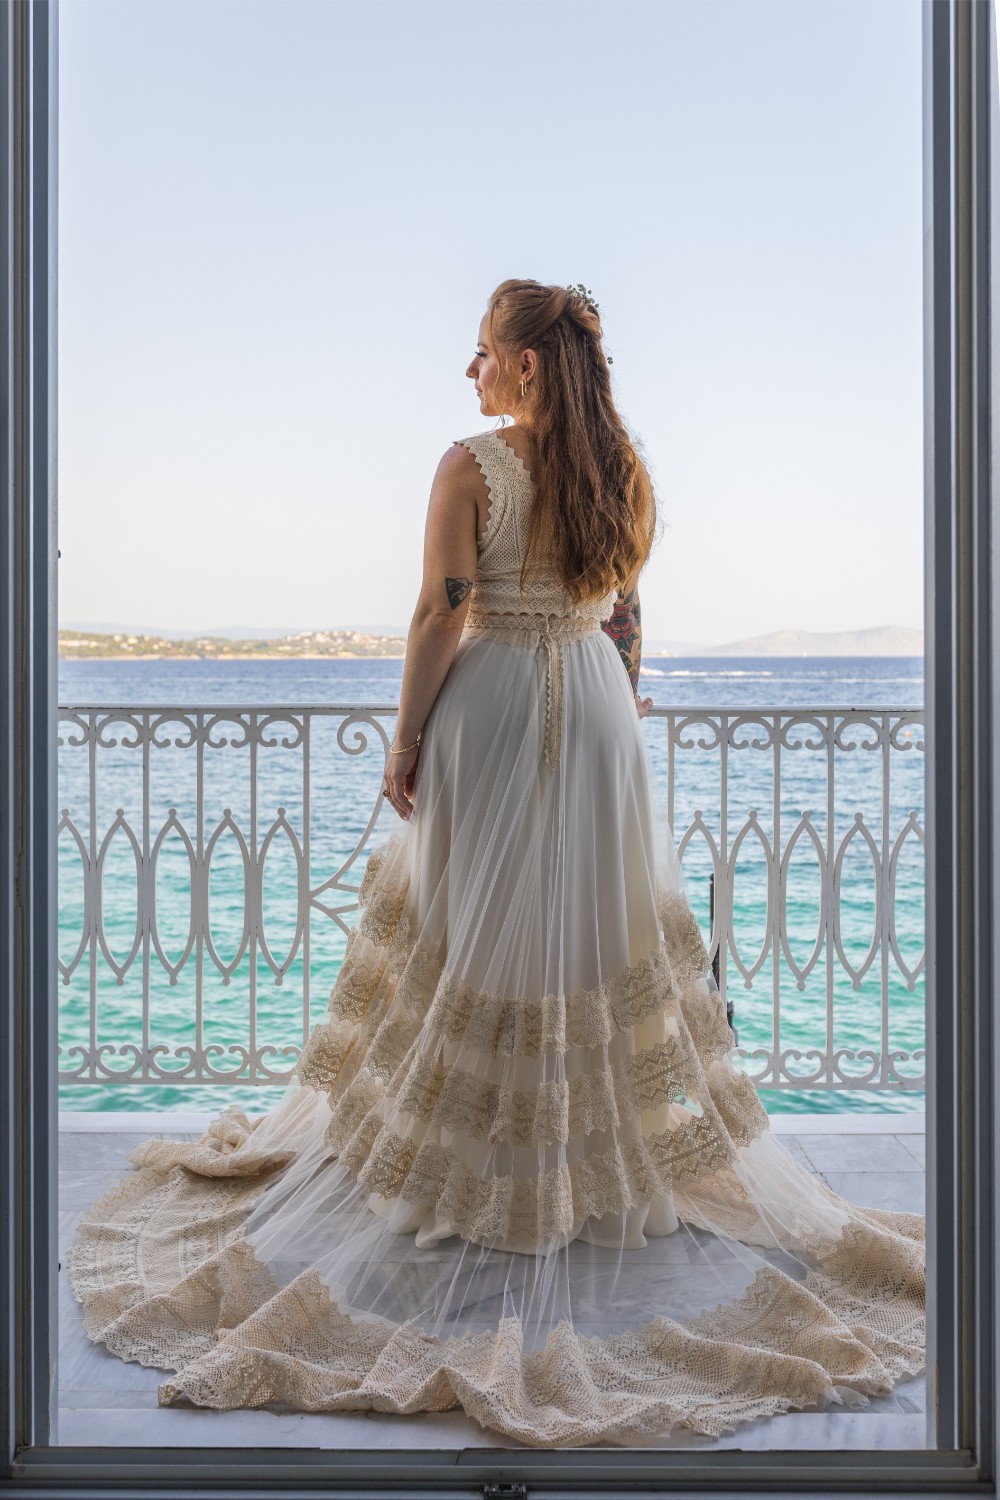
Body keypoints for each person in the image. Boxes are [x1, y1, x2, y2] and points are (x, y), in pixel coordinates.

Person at [68, 279, 925, 1448]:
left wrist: (405, 735)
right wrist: (618, 690)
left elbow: (440, 609)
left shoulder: (473, 465)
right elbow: (624, 612)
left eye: (478, 353)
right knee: (586, 931)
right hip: (599, 711)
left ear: (523, 366)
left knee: (474, 930)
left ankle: (474, 1175)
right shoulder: (624, 470)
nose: (467, 374)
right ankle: (576, 1175)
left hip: (499, 707)